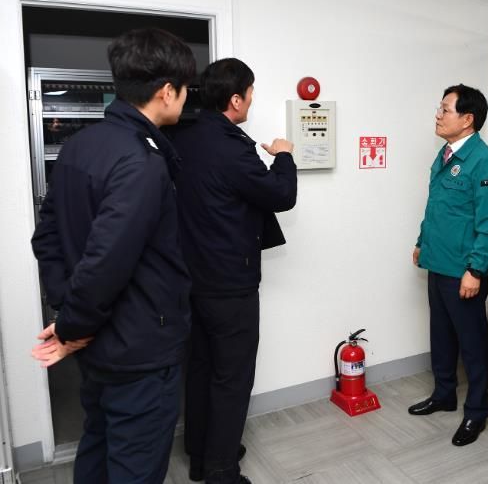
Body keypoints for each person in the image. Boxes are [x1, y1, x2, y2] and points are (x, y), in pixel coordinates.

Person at [30, 28, 196, 483]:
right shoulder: (141, 161)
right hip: (138, 347)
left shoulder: (81, 144)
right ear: (167, 92)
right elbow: (107, 261)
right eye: (185, 89)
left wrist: (69, 311)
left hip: (100, 343)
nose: (185, 99)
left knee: (99, 442)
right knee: (134, 464)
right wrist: (73, 327)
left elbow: (46, 236)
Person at [172, 58, 297, 484]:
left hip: (192, 278)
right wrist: (284, 155)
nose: (253, 100)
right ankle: (221, 470)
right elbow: (280, 194)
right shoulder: (231, 147)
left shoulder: (183, 137)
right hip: (229, 283)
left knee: (201, 368)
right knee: (232, 377)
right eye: (251, 93)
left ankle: (201, 455)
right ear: (236, 99)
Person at [409, 84, 488, 447]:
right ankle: (444, 393)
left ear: (467, 119)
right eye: (440, 108)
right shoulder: (447, 154)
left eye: (445, 109)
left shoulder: (485, 162)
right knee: (441, 334)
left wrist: (476, 270)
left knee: (473, 343)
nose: (438, 115)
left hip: (464, 270)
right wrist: (422, 241)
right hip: (438, 261)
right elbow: (437, 207)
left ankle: (477, 411)